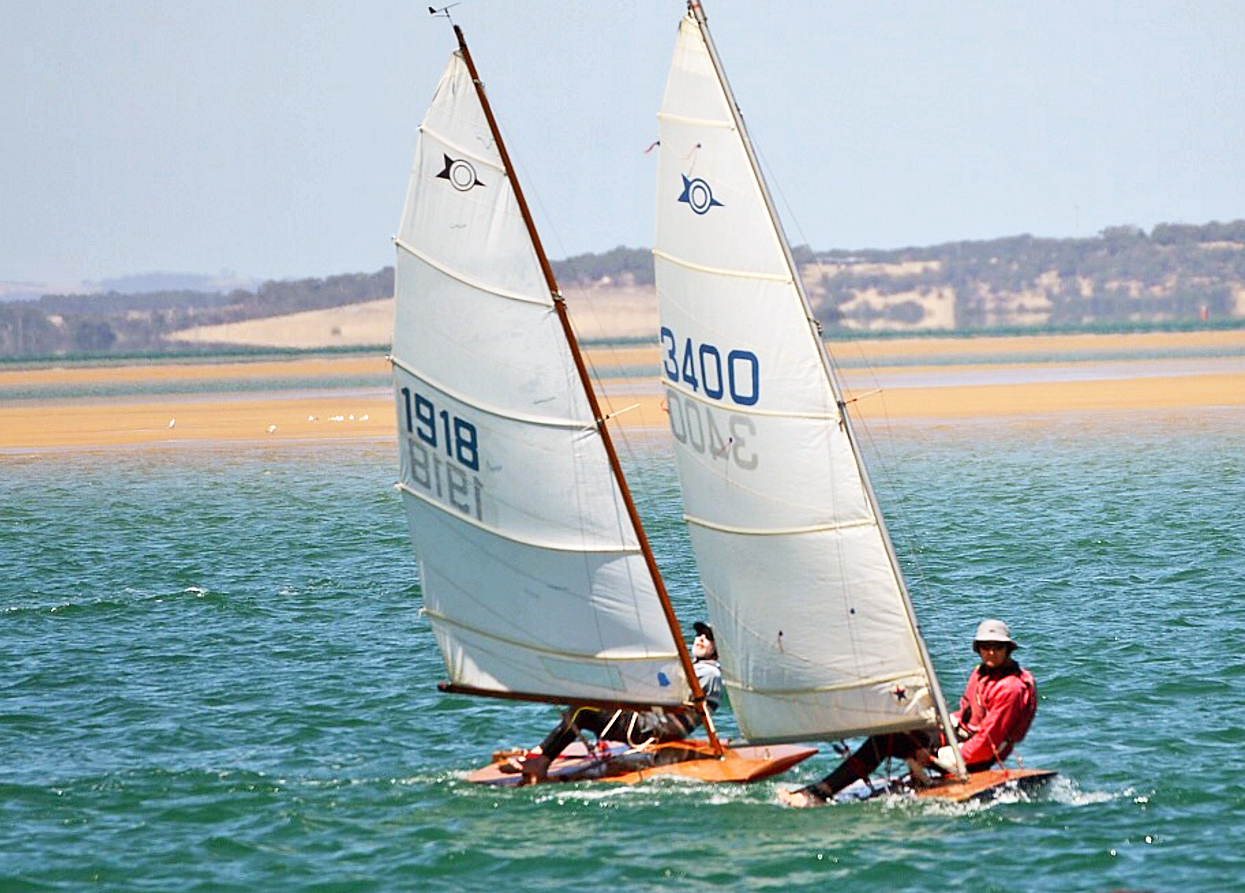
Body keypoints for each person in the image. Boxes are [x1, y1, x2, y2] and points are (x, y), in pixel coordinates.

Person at [777, 618, 1037, 807]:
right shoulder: (981, 673)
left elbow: (988, 741)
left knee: (885, 741)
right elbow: (966, 716)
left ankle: (819, 794)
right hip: (961, 741)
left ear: (1008, 649)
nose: (990, 652)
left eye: (997, 647)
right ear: (978, 648)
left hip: (975, 754)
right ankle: (915, 776)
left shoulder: (1010, 689)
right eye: (985, 646)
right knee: (897, 727)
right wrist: (938, 726)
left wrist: (951, 759)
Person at [505, 621, 722, 782]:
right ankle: (540, 753)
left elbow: (667, 692)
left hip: (647, 729)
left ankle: (541, 760)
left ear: (717, 648)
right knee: (586, 702)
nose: (701, 638)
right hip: (645, 722)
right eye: (699, 634)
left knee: (583, 710)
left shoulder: (708, 673)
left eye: (708, 637)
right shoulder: (694, 668)